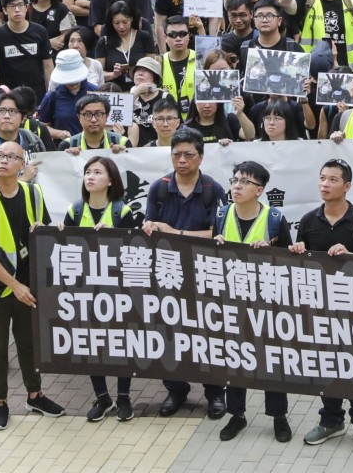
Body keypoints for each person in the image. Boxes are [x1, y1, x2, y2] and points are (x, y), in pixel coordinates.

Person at [291, 158, 353, 449]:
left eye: (332, 180)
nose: (325, 184)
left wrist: (351, 257)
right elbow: (300, 266)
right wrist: (297, 251)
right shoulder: (308, 221)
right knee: (327, 364)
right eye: (322, 178)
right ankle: (331, 420)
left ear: (347, 186)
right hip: (320, 307)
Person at [0, 140, 61, 430]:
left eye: (11, 156)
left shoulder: (33, 193)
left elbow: (46, 233)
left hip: (28, 283)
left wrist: (45, 229)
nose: (3, 160)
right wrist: (15, 286)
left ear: (22, 164)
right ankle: (0, 402)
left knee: (29, 343)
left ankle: (35, 395)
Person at [142, 128, 228, 419]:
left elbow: (218, 234)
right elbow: (151, 225)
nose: (181, 160)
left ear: (200, 157)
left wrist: (175, 233)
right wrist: (151, 227)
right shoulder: (160, 188)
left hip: (204, 271)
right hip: (168, 271)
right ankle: (176, 389)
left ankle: (215, 392)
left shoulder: (213, 189)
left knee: (208, 331)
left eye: (188, 155)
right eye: (176, 154)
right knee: (169, 330)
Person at [214, 161, 294, 444]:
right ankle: (236, 414)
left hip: (267, 302)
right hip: (231, 301)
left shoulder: (274, 218)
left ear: (259, 190)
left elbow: (290, 261)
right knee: (235, 357)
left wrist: (270, 251)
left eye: (244, 182)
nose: (236, 186)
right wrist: (215, 244)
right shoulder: (222, 214)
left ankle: (279, 416)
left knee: (272, 359)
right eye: (234, 180)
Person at [59, 156, 137, 423]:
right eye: (87, 172)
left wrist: (113, 237)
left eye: (97, 172)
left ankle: (124, 397)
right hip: (85, 291)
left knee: (121, 343)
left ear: (110, 180)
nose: (90, 177)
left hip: (117, 292)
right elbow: (64, 250)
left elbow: (134, 252)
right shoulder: (74, 210)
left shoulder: (121, 212)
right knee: (91, 343)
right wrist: (58, 234)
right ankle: (103, 398)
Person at [57, 94, 131, 153]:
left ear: (107, 116)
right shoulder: (67, 145)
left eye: (98, 114)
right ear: (79, 117)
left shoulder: (123, 142)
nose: (93, 120)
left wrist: (123, 155)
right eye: (88, 115)